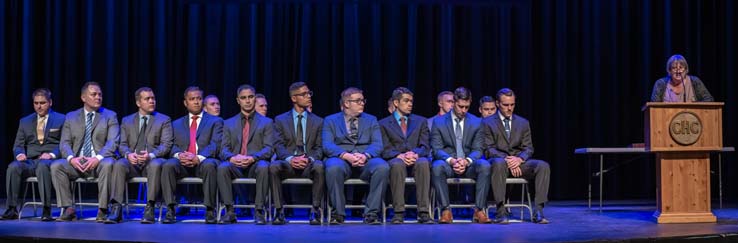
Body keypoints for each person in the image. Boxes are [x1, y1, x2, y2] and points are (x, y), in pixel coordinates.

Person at [51, 82, 120, 222]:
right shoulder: (71, 116)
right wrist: (72, 159)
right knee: (56, 166)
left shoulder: (110, 116)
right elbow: (64, 143)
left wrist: (97, 158)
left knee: (108, 164)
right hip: (78, 162)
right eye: (93, 94)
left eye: (100, 94)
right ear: (83, 98)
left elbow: (113, 142)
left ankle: (103, 209)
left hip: (100, 162)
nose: (98, 97)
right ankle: (68, 208)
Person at [483, 88, 550, 224]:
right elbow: (488, 149)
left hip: (519, 163)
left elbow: (528, 148)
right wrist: (508, 160)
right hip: (499, 164)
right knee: (498, 163)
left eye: (512, 105)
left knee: (542, 166)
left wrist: (519, 159)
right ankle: (501, 212)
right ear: (497, 103)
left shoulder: (523, 123)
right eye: (506, 105)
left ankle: (538, 211)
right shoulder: (487, 123)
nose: (509, 108)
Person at [323, 87, 389, 225]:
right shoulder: (330, 120)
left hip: (365, 160)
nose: (362, 103)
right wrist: (346, 155)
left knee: (382, 166)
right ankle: (338, 214)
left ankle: (371, 214)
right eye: (358, 101)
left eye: (363, 100)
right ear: (346, 103)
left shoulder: (371, 120)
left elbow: (378, 144)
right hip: (342, 160)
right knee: (333, 167)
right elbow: (327, 145)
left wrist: (365, 155)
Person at [109, 87, 173, 224]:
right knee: (119, 164)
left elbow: (166, 145)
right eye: (147, 99)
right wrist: (127, 154)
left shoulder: (164, 120)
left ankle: (150, 207)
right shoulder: (127, 120)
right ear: (138, 103)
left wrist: (151, 155)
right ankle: (116, 208)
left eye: (153, 98)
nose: (152, 101)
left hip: (152, 161)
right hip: (133, 162)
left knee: (156, 165)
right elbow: (122, 144)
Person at [161, 86, 223, 224]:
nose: (196, 102)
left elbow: (215, 145)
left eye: (199, 99)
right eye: (192, 99)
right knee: (168, 165)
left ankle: (209, 210)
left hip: (203, 162)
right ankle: (170, 208)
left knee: (210, 165)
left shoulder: (215, 121)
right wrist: (179, 155)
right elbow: (172, 146)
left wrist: (198, 158)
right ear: (185, 102)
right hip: (183, 163)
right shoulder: (176, 124)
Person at [430, 87, 491, 224]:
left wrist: (466, 161)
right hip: (448, 164)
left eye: (467, 107)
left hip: (468, 164)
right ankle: (445, 210)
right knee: (437, 166)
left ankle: (479, 210)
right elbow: (437, 148)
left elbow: (478, 149)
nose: (463, 110)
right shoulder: (439, 122)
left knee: (485, 165)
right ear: (454, 103)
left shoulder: (476, 122)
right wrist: (452, 161)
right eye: (460, 106)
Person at [3, 88, 65, 221]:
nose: (39, 106)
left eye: (42, 103)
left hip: (51, 161)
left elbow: (65, 144)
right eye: (36, 103)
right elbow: (18, 145)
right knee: (13, 167)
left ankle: (46, 209)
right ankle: (11, 209)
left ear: (50, 103)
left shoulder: (61, 119)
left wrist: (52, 155)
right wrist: (19, 154)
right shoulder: (25, 121)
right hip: (30, 161)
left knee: (43, 166)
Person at [217, 85, 274, 225]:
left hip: (255, 163)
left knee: (263, 166)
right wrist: (232, 157)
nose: (247, 101)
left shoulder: (267, 122)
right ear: (238, 101)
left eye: (250, 97)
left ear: (255, 98)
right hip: (236, 165)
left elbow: (269, 148)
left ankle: (259, 211)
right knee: (223, 167)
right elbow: (223, 149)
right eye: (243, 98)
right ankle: (230, 211)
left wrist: (252, 158)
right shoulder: (229, 123)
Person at [270, 82, 325, 225]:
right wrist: (290, 159)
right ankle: (279, 210)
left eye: (309, 93)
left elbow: (319, 148)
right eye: (304, 94)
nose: (308, 97)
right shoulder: (280, 120)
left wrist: (309, 159)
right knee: (274, 166)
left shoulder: (318, 121)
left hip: (308, 164)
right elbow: (278, 145)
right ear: (294, 98)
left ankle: (315, 210)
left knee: (319, 166)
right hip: (289, 164)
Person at [379, 87, 433, 224]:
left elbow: (425, 146)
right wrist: (400, 155)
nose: (410, 104)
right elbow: (384, 149)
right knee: (397, 165)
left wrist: (414, 154)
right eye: (406, 101)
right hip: (396, 160)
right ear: (396, 103)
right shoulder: (383, 124)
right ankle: (398, 212)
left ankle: (424, 212)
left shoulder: (421, 121)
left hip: (415, 159)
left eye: (411, 101)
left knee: (423, 163)